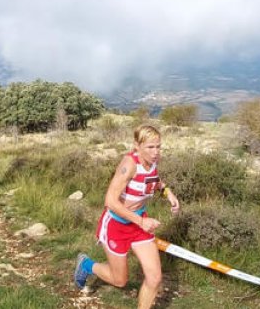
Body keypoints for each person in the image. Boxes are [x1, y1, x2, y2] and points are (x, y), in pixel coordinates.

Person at [73, 124, 181, 309]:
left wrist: (167, 192)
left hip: (139, 225)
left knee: (154, 279)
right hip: (116, 225)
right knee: (120, 280)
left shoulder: (153, 161)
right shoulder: (129, 164)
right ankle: (86, 264)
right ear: (136, 146)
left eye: (158, 146)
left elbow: (154, 180)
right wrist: (141, 221)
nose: (155, 152)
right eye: (150, 147)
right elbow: (110, 201)